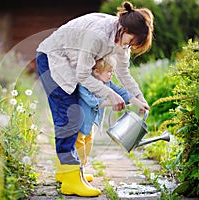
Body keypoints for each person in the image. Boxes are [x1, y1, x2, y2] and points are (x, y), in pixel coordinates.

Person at [36, 1, 153, 197]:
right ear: (124, 29)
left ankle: (66, 173)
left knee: (75, 118)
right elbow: (83, 74)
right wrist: (110, 94)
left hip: (70, 64)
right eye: (130, 41)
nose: (129, 46)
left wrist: (139, 98)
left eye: (133, 44)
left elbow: (124, 73)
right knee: (68, 119)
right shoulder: (99, 35)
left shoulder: (121, 37)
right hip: (52, 60)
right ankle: (71, 182)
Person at [75, 56, 149, 180]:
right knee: (79, 146)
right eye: (108, 72)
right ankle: (75, 175)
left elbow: (121, 92)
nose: (111, 74)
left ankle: (80, 171)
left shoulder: (107, 83)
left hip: (91, 122)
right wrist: (112, 102)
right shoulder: (84, 84)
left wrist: (138, 102)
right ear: (96, 72)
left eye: (112, 71)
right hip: (79, 122)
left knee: (88, 144)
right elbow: (93, 102)